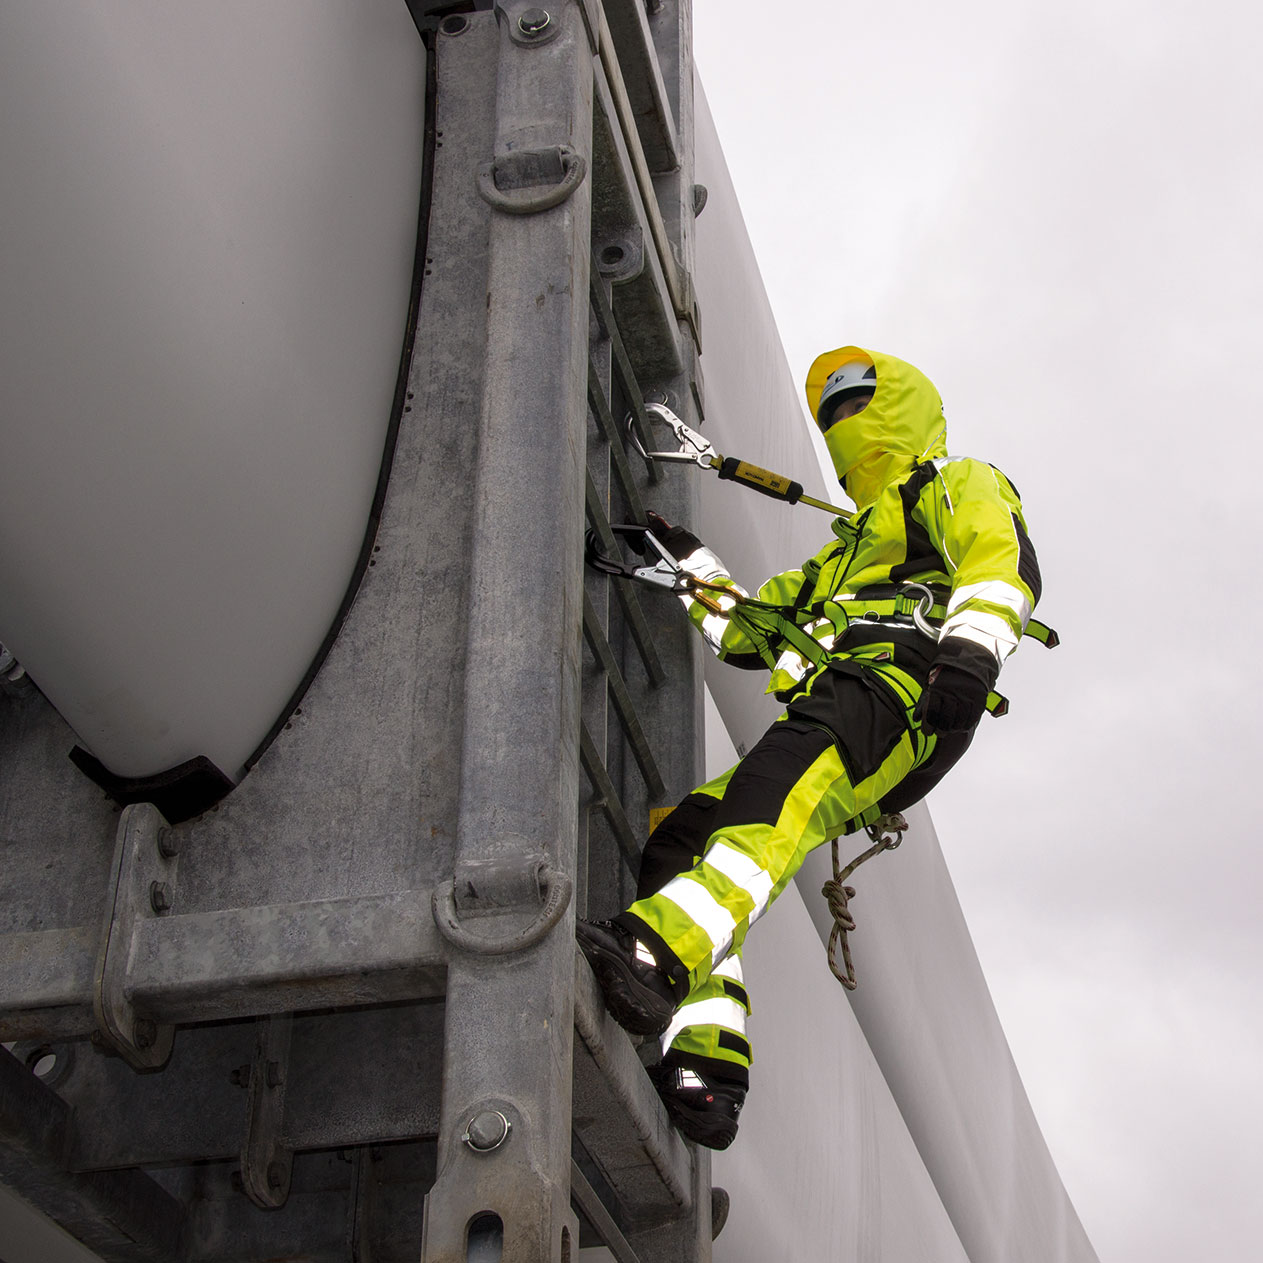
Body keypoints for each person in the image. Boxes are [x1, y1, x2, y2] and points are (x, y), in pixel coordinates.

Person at [578, 345, 1048, 1149]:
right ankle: (704, 1069)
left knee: (768, 804)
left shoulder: (954, 480)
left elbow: (999, 561)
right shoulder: (843, 551)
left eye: (856, 401)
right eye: (828, 410)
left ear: (899, 404)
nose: (840, 420)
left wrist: (968, 653)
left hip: (899, 688)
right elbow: (745, 634)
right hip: (842, 702)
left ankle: (658, 954)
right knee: (686, 836)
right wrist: (687, 560)